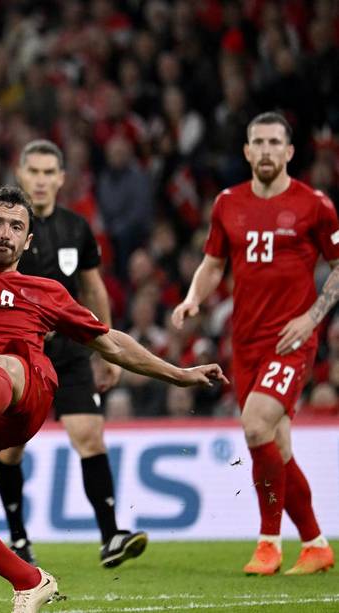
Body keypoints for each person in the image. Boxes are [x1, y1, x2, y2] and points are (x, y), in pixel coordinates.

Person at [0, 185, 226, 612]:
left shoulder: (45, 291)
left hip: (23, 389)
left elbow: (111, 344)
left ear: (28, 241)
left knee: (2, 362)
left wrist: (178, 374)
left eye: (16, 227)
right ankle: (30, 581)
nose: (5, 234)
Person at [172, 111, 337, 576]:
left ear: (288, 151)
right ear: (246, 151)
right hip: (244, 341)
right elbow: (213, 264)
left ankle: (268, 543)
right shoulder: (228, 203)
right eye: (257, 142)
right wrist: (192, 299)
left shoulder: (315, 204)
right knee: (277, 446)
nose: (265, 150)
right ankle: (316, 544)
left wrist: (311, 318)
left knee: (256, 423)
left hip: (291, 338)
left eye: (274, 143)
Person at [0, 139, 145, 568]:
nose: (40, 181)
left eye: (48, 173)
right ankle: (19, 538)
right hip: (19, 355)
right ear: (21, 175)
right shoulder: (5, 227)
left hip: (71, 353)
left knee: (89, 436)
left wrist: (107, 348)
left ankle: (111, 534)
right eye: (33, 172)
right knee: (11, 450)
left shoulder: (77, 228)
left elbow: (93, 287)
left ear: (61, 178)